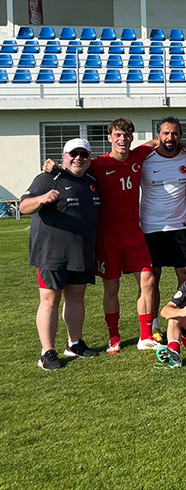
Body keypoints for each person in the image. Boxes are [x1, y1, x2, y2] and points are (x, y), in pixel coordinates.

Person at [22, 138, 101, 369]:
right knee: (50, 300)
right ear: (64, 156)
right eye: (73, 154)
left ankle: (74, 343)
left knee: (76, 297)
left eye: (83, 154)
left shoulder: (91, 181)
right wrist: (42, 199)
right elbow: (24, 206)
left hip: (81, 252)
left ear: (89, 157)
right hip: (51, 253)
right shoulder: (47, 178)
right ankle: (47, 352)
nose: (78, 158)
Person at [88, 118, 158, 353]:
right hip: (108, 237)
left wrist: (182, 146)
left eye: (127, 135)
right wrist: (52, 168)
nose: (122, 139)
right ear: (109, 138)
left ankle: (145, 336)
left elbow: (156, 141)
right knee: (112, 288)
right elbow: (72, 168)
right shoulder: (97, 164)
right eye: (118, 135)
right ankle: (114, 336)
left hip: (134, 234)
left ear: (131, 138)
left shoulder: (138, 156)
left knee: (148, 281)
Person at [141, 116, 186, 340]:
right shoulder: (145, 159)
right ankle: (154, 323)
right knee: (152, 278)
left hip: (179, 226)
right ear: (158, 136)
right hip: (151, 228)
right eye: (165, 133)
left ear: (180, 136)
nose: (170, 137)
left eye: (174, 133)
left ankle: (182, 318)